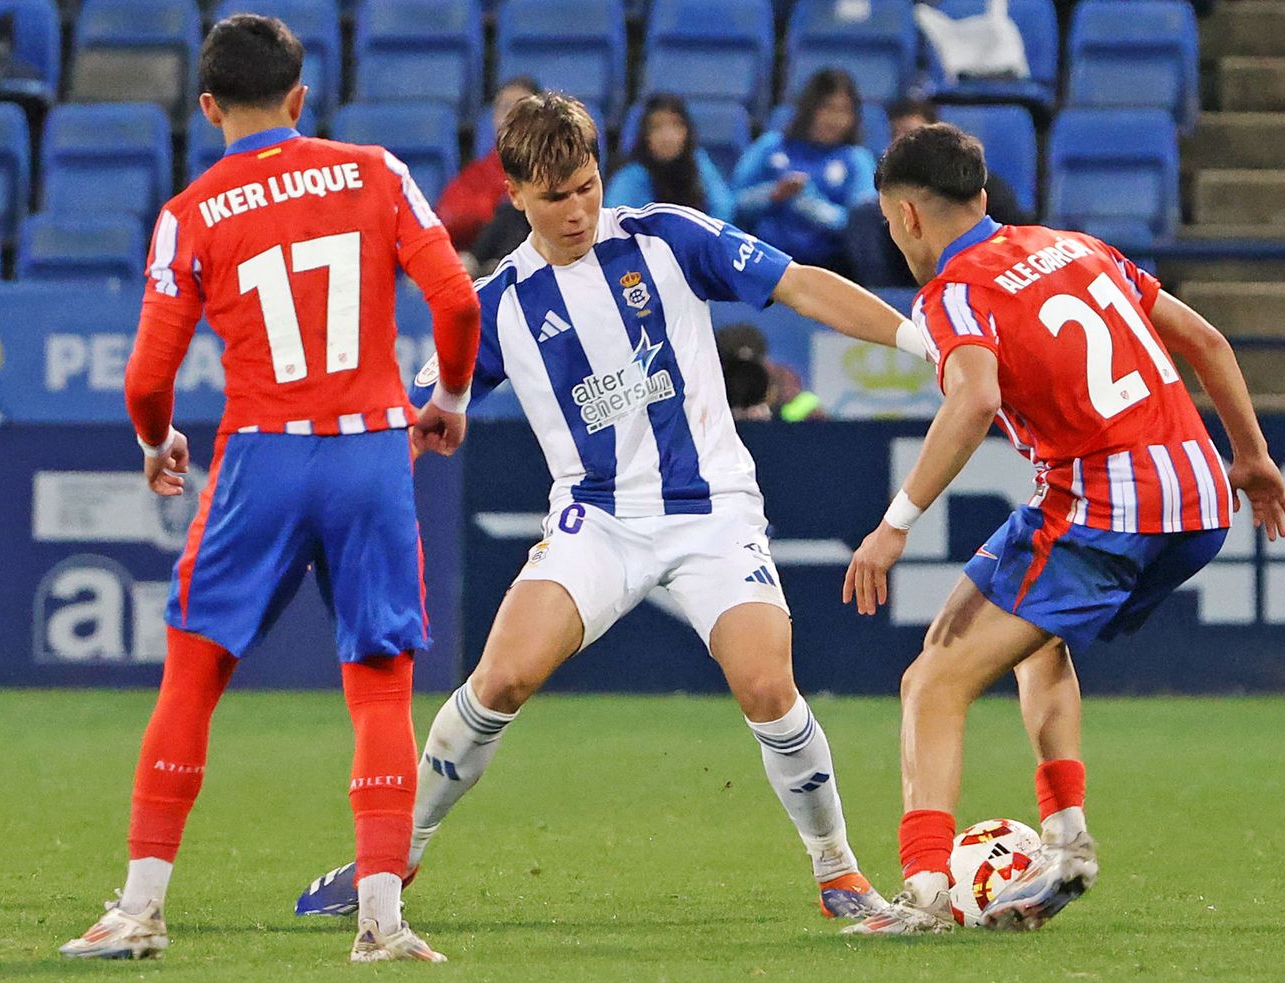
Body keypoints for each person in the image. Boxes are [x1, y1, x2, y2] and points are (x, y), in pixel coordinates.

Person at [294, 92, 942, 923]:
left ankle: (838, 869)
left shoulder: (667, 236)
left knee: (766, 684)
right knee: (500, 679)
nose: (578, 209)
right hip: (594, 519)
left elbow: (799, 283)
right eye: (556, 195)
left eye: (588, 186)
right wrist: (385, 451)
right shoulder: (496, 306)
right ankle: (390, 858)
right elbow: (423, 410)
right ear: (515, 193)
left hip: (711, 509)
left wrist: (917, 339)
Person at [57, 15, 480, 965]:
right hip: (373, 450)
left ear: (207, 107)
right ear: (301, 98)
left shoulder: (192, 210)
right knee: (380, 689)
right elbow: (455, 300)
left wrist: (156, 438)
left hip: (265, 456)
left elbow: (146, 375)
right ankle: (381, 920)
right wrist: (447, 396)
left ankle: (141, 907)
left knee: (195, 672)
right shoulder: (375, 171)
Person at [840, 124, 1285, 935]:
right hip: (1197, 500)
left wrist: (893, 524)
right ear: (980, 196)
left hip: (1101, 507)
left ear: (907, 217)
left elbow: (973, 399)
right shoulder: (1074, 246)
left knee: (932, 680)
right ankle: (1067, 838)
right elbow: (1207, 341)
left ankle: (925, 893)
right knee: (1037, 636)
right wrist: (1252, 457)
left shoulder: (953, 291)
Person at [847, 97, 1031, 288]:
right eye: (896, 135)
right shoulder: (886, 202)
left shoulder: (981, 186)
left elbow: (1016, 242)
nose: (903, 144)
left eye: (912, 134)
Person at [730, 68, 875, 274]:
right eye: (827, 108)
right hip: (763, 266)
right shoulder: (770, 145)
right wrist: (773, 194)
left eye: (844, 111)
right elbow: (733, 204)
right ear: (809, 108)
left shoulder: (857, 159)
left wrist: (808, 203)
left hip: (832, 271)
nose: (834, 120)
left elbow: (862, 225)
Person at [437, 75, 540, 252]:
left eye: (522, 108)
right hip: (481, 261)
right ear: (494, 118)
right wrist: (492, 205)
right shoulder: (476, 174)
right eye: (505, 108)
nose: (511, 116)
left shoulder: (556, 171)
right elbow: (447, 219)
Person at [605, 93, 734, 222]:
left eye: (676, 125)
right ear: (645, 136)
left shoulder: (698, 162)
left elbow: (723, 208)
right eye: (657, 127)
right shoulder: (631, 175)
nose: (667, 136)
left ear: (687, 131)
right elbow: (617, 221)